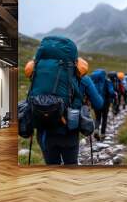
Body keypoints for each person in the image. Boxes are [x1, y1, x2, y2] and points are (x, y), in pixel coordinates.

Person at [25, 37, 103, 165]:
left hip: (44, 132)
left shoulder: (38, 72)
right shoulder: (82, 79)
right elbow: (99, 104)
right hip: (68, 132)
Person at [90, 69, 116, 141]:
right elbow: (111, 92)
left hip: (96, 103)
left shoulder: (93, 82)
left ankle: (96, 129)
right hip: (105, 103)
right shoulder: (107, 81)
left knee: (98, 118)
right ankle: (103, 134)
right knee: (104, 118)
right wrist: (114, 95)